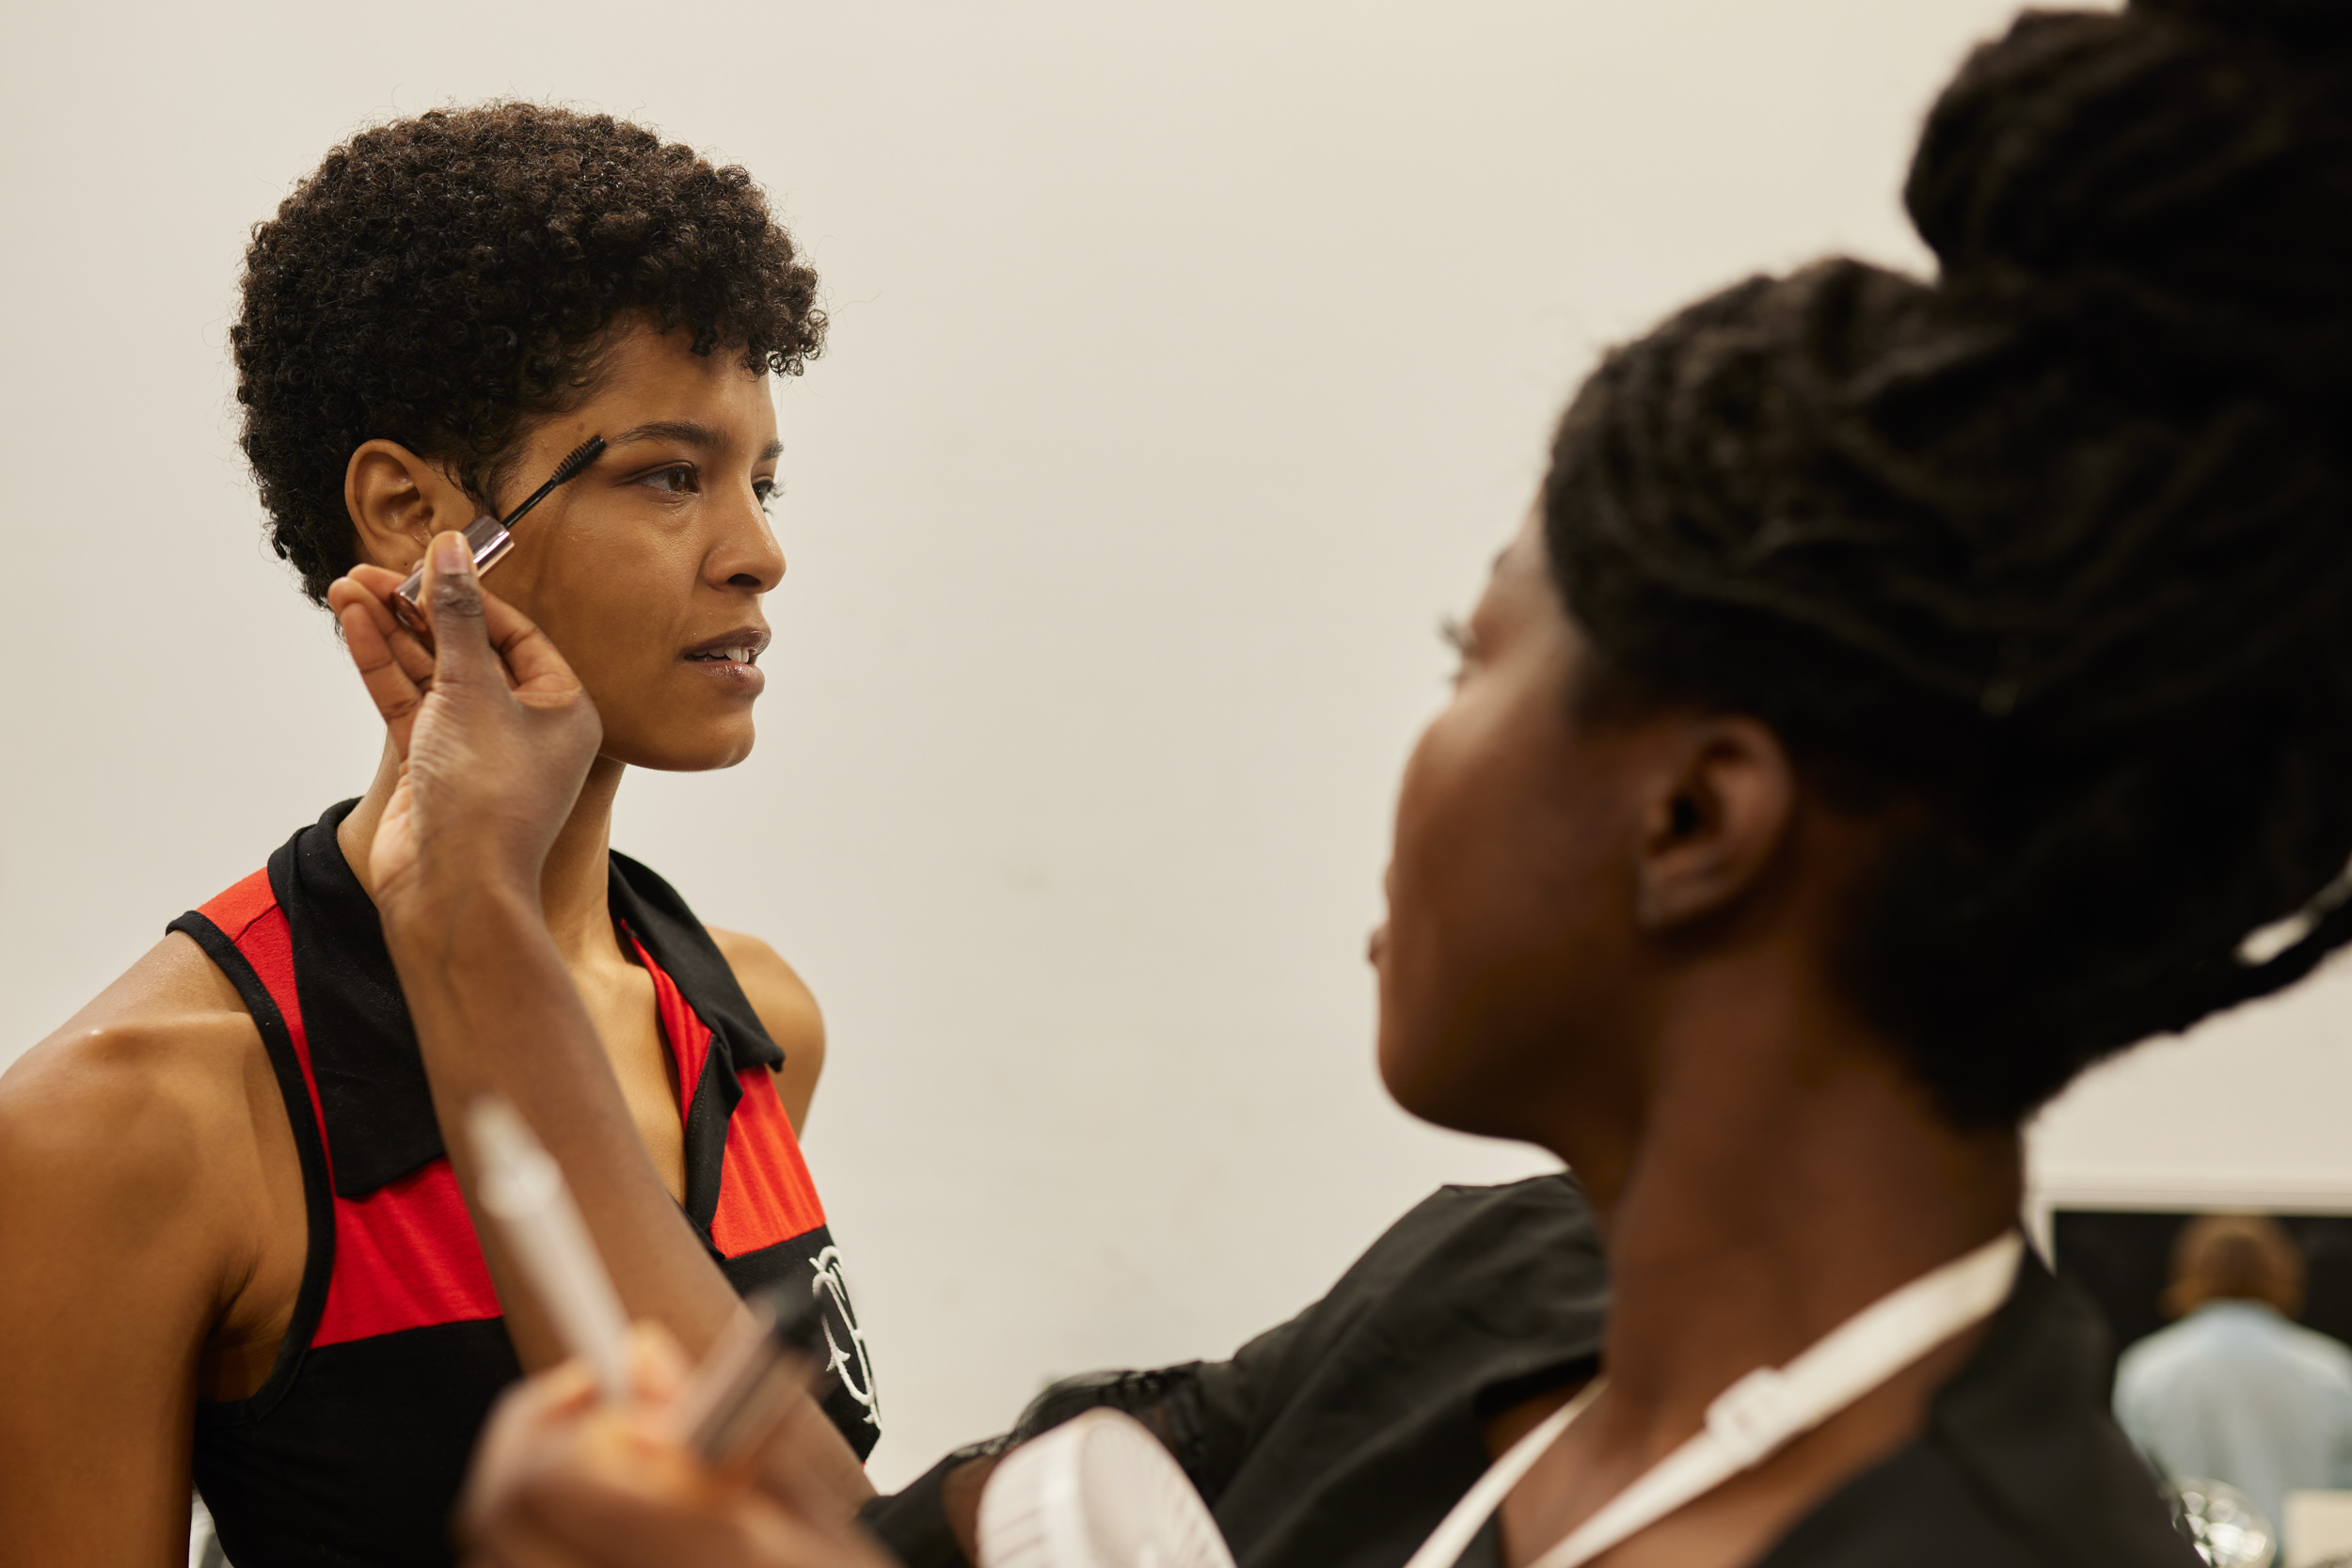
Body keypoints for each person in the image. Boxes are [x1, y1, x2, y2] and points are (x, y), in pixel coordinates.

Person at [360, 0, 2352, 1560]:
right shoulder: (1488, 1304)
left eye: (1470, 659)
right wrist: (467, 903)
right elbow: (840, 1537)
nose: (1414, 754)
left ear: (1691, 817)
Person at [0, 103, 879, 1568]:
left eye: (760, 478)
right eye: (670, 473)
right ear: (414, 514)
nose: (758, 548)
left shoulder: (757, 1022)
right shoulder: (126, 1124)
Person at [2116, 1215, 2352, 1541]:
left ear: (2189, 1271)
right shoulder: (2330, 1370)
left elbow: (2134, 1493)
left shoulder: (2147, 1369)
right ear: (2283, 1271)